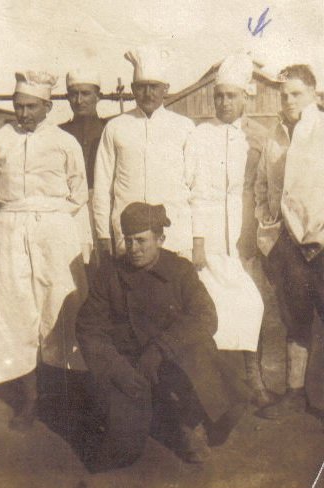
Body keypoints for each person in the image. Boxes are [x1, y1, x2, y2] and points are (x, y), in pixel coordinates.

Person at [76, 202, 249, 472]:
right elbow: (89, 330)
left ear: (160, 239)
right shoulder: (109, 275)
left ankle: (189, 419)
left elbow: (205, 316)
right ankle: (150, 411)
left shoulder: (179, 269)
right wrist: (119, 371)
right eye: (129, 241)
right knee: (122, 451)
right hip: (131, 367)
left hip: (173, 360)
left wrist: (160, 349)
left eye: (142, 241)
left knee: (227, 403)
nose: (134, 249)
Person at [0, 71, 91, 430]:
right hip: (10, 230)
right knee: (13, 309)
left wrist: (52, 219)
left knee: (59, 304)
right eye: (18, 105)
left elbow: (78, 190)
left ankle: (66, 394)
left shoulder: (64, 141)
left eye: (30, 107)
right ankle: (30, 397)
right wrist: (9, 218)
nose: (22, 113)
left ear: (47, 107)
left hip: (56, 229)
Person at [185, 53, 275, 407]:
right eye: (219, 96)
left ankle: (254, 378)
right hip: (207, 238)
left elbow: (263, 188)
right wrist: (196, 241)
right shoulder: (200, 135)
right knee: (211, 311)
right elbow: (189, 188)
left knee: (252, 306)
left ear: (244, 97)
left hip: (243, 235)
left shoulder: (258, 137)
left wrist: (255, 234)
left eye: (231, 96)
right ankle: (216, 390)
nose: (224, 102)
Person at [255, 65, 324, 419]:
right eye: (284, 95)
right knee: (295, 320)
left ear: (313, 93)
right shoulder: (276, 134)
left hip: (322, 244)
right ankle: (295, 394)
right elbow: (263, 186)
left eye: (296, 93)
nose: (289, 100)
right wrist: (268, 229)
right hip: (288, 246)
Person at [93, 45, 200, 261]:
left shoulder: (184, 127)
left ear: (165, 89)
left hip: (174, 233)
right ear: (133, 89)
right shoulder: (116, 127)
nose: (148, 93)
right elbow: (103, 186)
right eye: (141, 87)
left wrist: (197, 239)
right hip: (129, 236)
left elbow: (196, 186)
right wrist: (104, 236)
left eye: (154, 86)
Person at [60, 68, 106, 260]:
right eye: (74, 94)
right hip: (71, 207)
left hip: (104, 204)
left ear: (98, 96)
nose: (79, 100)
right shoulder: (60, 133)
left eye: (86, 93)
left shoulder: (109, 129)